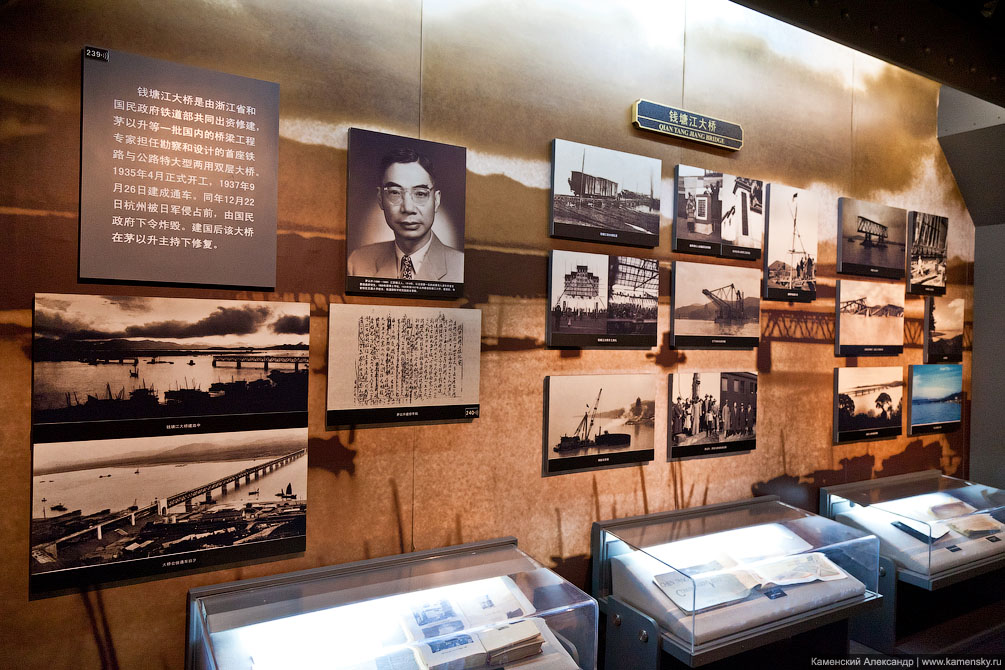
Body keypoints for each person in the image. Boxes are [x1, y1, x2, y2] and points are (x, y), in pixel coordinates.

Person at [348, 147, 463, 282]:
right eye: (395, 193)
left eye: (420, 193)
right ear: (380, 199)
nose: (408, 208)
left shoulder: (460, 267)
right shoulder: (357, 263)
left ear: (436, 200)